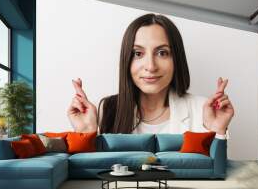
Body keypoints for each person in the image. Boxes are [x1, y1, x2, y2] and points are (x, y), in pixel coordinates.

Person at [67, 14, 234, 139]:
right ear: (127, 60)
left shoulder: (202, 111)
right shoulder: (104, 111)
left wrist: (217, 132)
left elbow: (216, 173)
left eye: (162, 53)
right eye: (138, 53)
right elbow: (90, 176)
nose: (151, 66)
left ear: (177, 59)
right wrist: (85, 133)